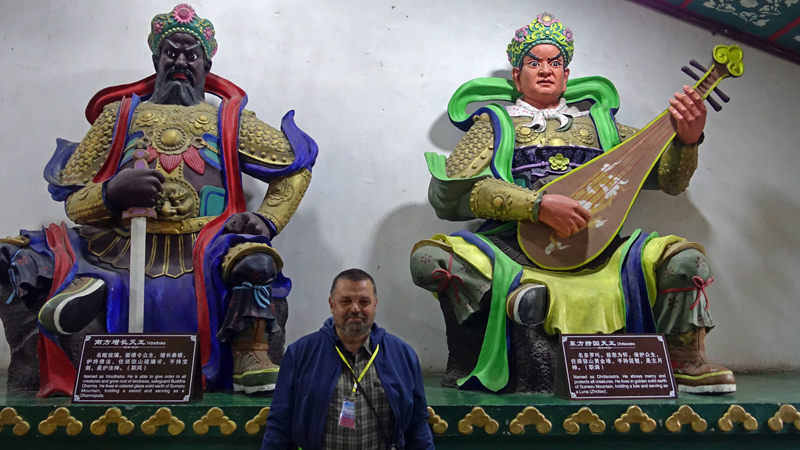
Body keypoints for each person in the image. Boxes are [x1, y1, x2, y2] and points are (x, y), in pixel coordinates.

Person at [0, 3, 318, 395]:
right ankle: (87, 289)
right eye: (172, 51)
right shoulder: (120, 116)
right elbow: (72, 197)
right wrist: (111, 193)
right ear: (156, 57)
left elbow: (295, 169)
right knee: (21, 256)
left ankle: (250, 352)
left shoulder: (229, 121)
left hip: (207, 243)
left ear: (207, 64)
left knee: (255, 261)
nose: (181, 61)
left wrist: (267, 220)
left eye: (192, 54)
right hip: (119, 242)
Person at [410, 12, 735, 394]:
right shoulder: (494, 125)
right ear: (517, 76)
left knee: (686, 261)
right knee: (429, 260)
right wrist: (536, 206)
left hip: (599, 247)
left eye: (555, 63)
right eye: (534, 63)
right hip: (512, 249)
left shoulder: (603, 128)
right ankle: (520, 300)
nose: (545, 70)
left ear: (567, 74)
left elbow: (671, 181)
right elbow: (457, 194)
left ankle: (684, 359)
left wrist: (686, 141)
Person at [262, 269, 434, 450]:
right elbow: (279, 427)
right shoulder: (300, 354)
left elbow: (418, 427)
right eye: (346, 301)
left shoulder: (403, 356)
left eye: (364, 302)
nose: (355, 308)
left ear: (375, 305)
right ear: (331, 304)